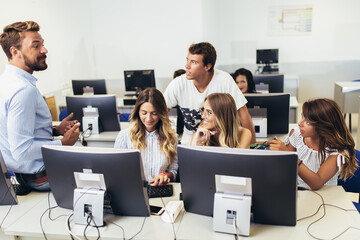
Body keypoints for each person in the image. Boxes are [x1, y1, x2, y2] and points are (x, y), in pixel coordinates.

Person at [0, 21, 80, 192]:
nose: (44, 50)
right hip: (40, 177)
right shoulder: (23, 90)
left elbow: (12, 131)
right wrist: (63, 144)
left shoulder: (5, 82)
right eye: (36, 46)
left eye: (42, 44)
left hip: (19, 174)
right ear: (15, 52)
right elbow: (21, 150)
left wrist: (54, 130)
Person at [164, 42, 256, 144]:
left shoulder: (224, 80)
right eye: (187, 60)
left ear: (207, 66)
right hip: (190, 144)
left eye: (193, 62)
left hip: (221, 144)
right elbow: (160, 112)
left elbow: (243, 114)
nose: (187, 66)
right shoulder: (178, 83)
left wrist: (253, 147)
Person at [269, 98, 358, 190]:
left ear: (324, 127)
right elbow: (287, 167)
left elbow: (317, 183)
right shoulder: (297, 134)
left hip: (325, 194)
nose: (300, 123)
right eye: (302, 117)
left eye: (307, 122)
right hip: (298, 190)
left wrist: (291, 156)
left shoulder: (337, 151)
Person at [114, 88, 178, 186]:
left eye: (154, 113)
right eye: (144, 113)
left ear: (161, 114)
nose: (148, 118)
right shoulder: (124, 136)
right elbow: (116, 171)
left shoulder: (171, 138)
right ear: (137, 112)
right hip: (134, 190)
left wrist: (165, 175)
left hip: (160, 189)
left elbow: (173, 170)